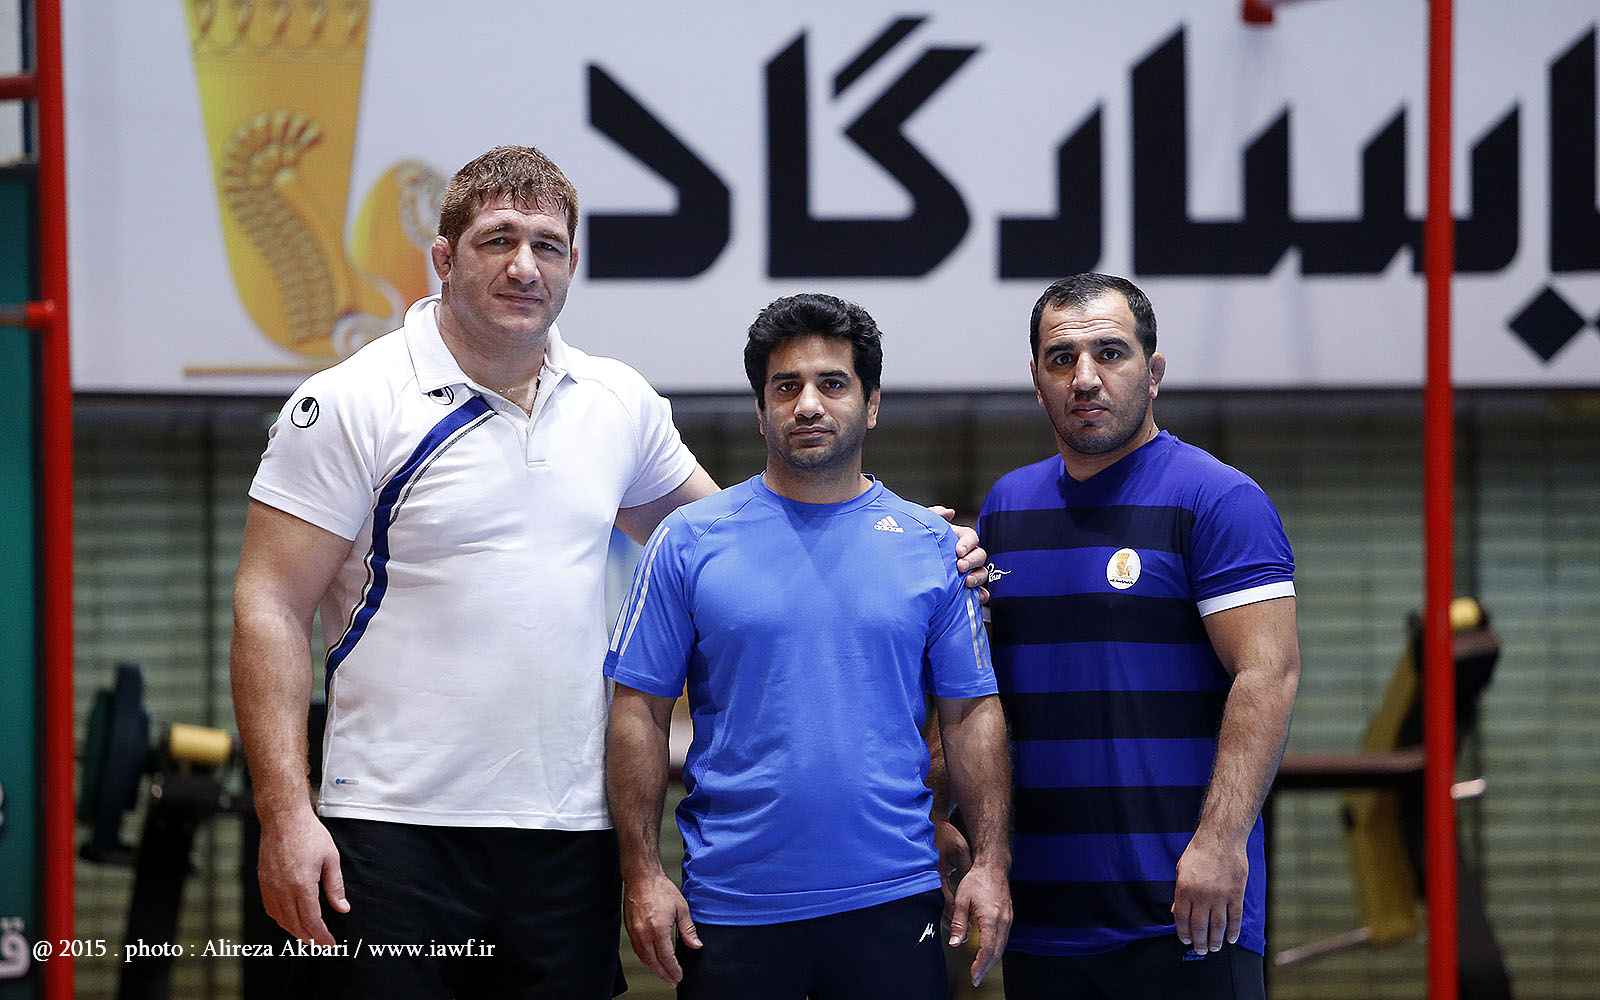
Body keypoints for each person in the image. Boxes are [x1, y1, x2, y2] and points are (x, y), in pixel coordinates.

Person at [230, 146, 987, 999]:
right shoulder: (350, 401)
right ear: (442, 257)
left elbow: (742, 547)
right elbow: (269, 606)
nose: (524, 267)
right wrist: (284, 813)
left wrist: (912, 540)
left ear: (573, 263)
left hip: (569, 831)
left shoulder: (617, 402)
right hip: (393, 825)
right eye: (497, 240)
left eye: (547, 246)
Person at [603, 293, 1013, 1000]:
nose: (808, 404)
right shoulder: (688, 541)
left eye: (833, 383)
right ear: (760, 410)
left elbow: (971, 714)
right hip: (732, 906)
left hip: (896, 899)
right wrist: (641, 874)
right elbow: (637, 711)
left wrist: (991, 862)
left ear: (872, 404)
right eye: (786, 387)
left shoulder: (931, 547)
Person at [957, 273, 1301, 999]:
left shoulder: (1218, 499)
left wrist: (1220, 843)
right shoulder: (1007, 507)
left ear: (1154, 371)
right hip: (1042, 917)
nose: (1085, 377)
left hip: (1186, 911)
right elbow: (981, 695)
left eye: (1110, 353)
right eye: (1061, 359)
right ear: (1037, 379)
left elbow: (1268, 673)